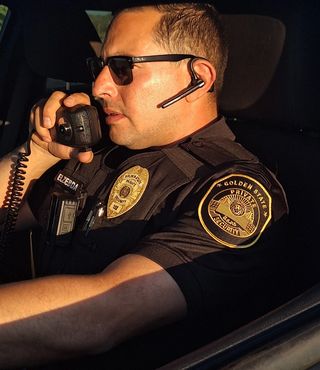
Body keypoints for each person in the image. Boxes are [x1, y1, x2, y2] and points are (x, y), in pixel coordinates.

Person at [0, 3, 289, 369]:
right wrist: (37, 153)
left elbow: (100, 316)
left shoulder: (234, 191)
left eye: (123, 69)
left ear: (197, 77)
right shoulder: (100, 151)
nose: (99, 87)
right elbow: (11, 211)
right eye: (100, 67)